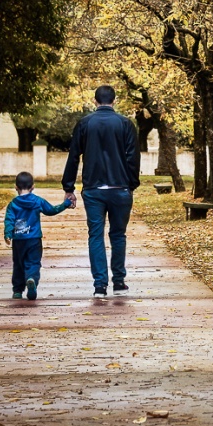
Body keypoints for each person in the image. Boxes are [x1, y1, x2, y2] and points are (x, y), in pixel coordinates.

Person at [62, 84, 141, 298]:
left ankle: (99, 285)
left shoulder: (85, 124)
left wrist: (69, 187)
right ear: (114, 101)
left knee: (95, 235)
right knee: (118, 235)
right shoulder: (126, 124)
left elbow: (74, 156)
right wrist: (131, 183)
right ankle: (119, 281)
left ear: (95, 101)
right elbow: (133, 157)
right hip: (120, 189)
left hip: (94, 189)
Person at [3, 171, 72, 300]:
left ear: (16, 187)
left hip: (18, 241)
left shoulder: (13, 204)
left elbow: (9, 220)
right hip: (34, 239)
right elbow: (51, 210)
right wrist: (66, 204)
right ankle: (31, 278)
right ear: (33, 186)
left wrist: (8, 234)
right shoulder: (37, 201)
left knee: (18, 264)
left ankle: (18, 291)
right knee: (34, 262)